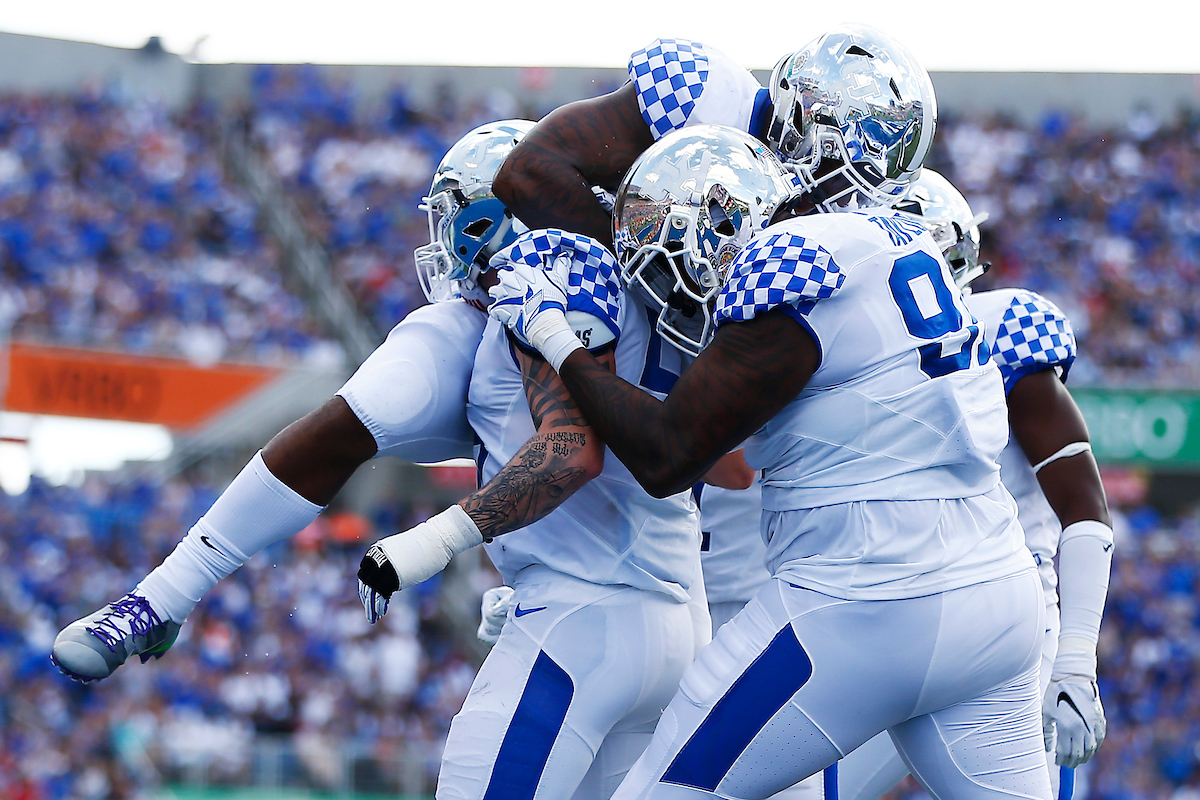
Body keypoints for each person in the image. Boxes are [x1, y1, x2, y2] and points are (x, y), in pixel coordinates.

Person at [487, 26, 1054, 800]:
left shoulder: (793, 258)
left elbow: (665, 456)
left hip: (861, 599)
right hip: (997, 595)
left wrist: (557, 336)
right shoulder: (915, 247)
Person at [51, 120, 536, 682]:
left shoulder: (585, 326)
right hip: (612, 611)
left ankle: (160, 599)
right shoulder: (490, 328)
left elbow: (595, 461)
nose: (446, 238)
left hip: (627, 609)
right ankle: (161, 598)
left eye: (457, 216)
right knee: (353, 418)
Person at [832, 171, 1113, 800]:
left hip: (1004, 620)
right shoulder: (849, 347)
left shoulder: (999, 327)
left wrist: (1074, 660)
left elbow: (1085, 510)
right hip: (890, 604)